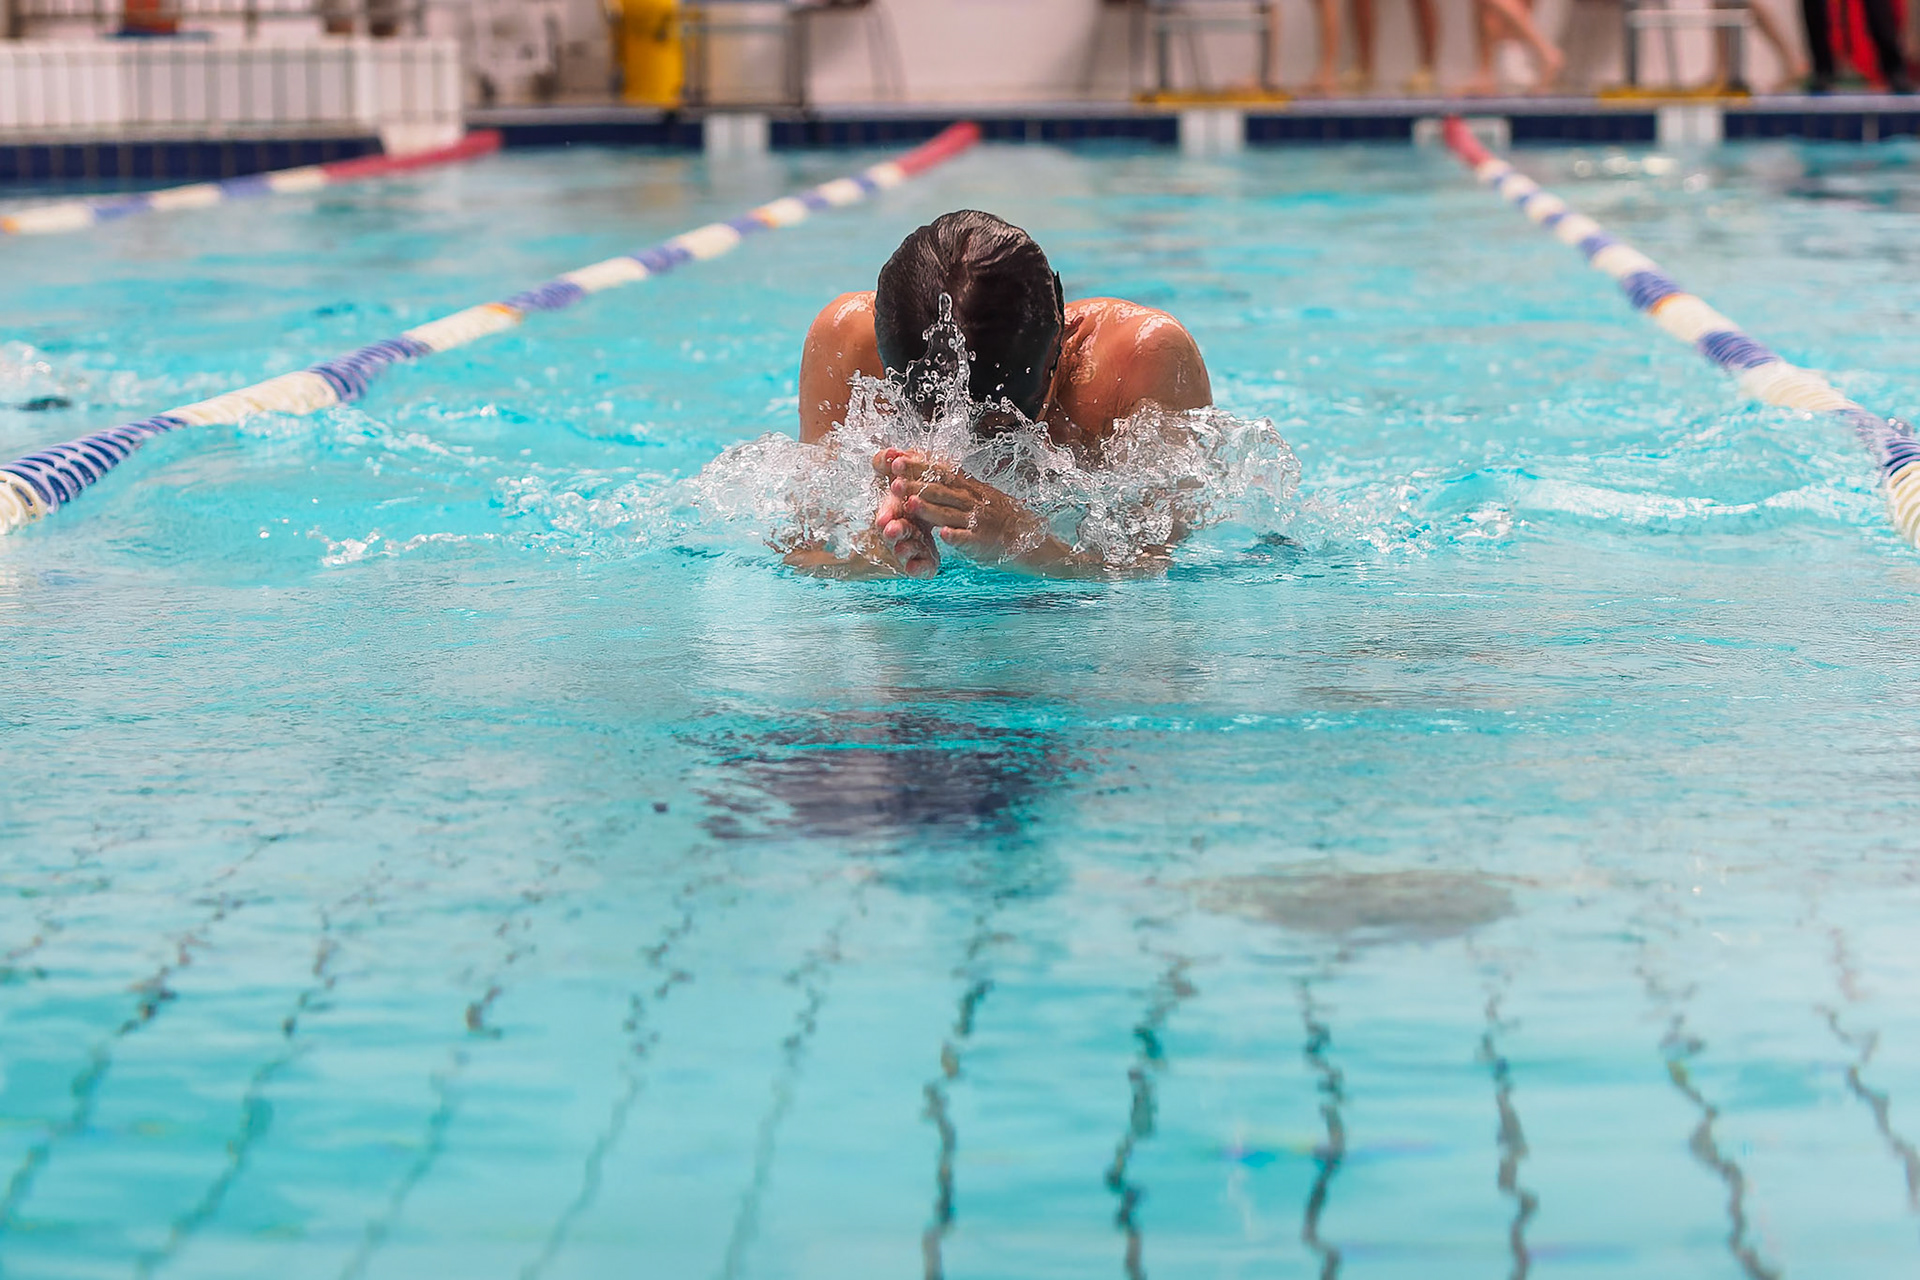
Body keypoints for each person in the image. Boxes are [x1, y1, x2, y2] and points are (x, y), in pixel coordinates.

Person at [789, 210, 1213, 579]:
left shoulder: (1140, 361)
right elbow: (802, 557)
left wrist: (1026, 543)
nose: (968, 443)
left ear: (1061, 340)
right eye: (926, 419)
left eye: (1002, 426)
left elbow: (1161, 573)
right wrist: (877, 550)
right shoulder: (847, 342)